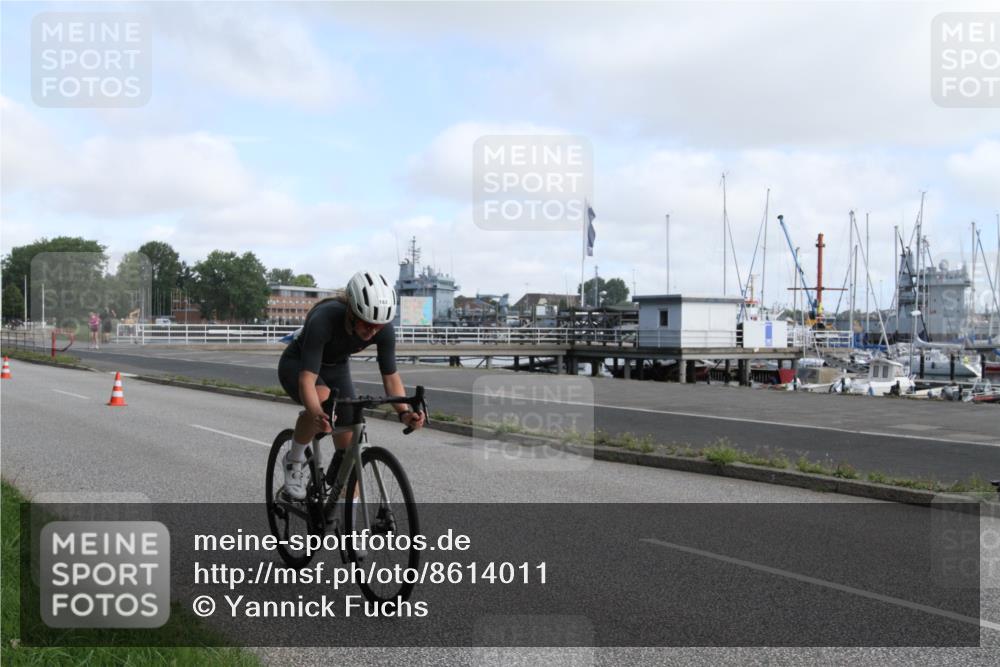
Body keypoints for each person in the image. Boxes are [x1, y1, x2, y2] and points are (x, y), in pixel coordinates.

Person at [277, 269, 425, 500]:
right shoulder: (324, 319)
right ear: (352, 312)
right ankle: (293, 460)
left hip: (336, 368)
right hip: (298, 364)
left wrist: (404, 413)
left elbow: (391, 376)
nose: (372, 331)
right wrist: (317, 414)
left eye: (378, 326)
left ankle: (349, 519)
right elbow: (307, 380)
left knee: (349, 462)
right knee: (323, 401)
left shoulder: (383, 329)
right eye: (367, 324)